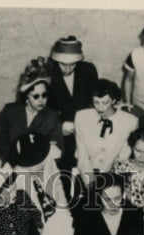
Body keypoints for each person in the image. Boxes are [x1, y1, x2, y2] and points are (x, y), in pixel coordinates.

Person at [0, 58, 64, 164]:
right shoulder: (9, 112)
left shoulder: (52, 116)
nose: (41, 100)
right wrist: (15, 162)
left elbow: (58, 149)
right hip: (13, 164)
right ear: (26, 97)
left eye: (44, 95)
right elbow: (1, 142)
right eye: (36, 96)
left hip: (41, 169)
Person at [46, 35, 99, 171]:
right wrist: (60, 125)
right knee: (65, 168)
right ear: (55, 61)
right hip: (60, 131)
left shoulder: (88, 70)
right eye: (63, 65)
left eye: (72, 65)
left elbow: (94, 101)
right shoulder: (48, 74)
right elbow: (44, 109)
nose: (68, 69)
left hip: (84, 128)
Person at [73, 80, 138, 187]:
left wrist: (109, 184)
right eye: (96, 103)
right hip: (86, 175)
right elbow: (82, 155)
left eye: (105, 103)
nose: (100, 107)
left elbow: (123, 157)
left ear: (113, 100)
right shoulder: (81, 117)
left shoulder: (130, 121)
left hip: (113, 177)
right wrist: (90, 183)